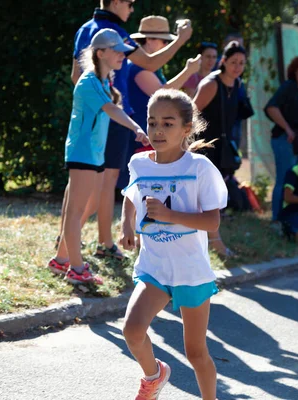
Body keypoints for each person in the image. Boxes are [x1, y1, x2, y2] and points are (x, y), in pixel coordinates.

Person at [120, 89, 227, 400]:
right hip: (154, 266)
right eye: (152, 122)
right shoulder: (139, 163)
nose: (158, 130)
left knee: (195, 352)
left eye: (168, 124)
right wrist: (127, 223)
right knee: (132, 330)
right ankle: (154, 376)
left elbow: (212, 222)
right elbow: (131, 195)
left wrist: (169, 215)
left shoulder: (200, 168)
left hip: (190, 270)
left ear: (186, 128)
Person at [70, 1, 193, 260]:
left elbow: (74, 76)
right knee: (102, 184)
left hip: (95, 118)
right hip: (110, 118)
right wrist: (181, 39)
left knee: (94, 184)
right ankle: (81, 246)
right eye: (129, 3)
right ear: (116, 2)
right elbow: (149, 64)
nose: (131, 9)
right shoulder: (114, 30)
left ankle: (91, 243)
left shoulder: (85, 28)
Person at [48, 29, 149, 284]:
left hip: (92, 154)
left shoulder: (103, 81)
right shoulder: (90, 80)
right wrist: (135, 127)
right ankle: (77, 269)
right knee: (76, 211)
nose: (122, 57)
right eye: (117, 52)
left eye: (123, 52)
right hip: (82, 154)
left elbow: (111, 109)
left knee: (88, 206)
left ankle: (60, 261)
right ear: (101, 53)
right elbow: (111, 111)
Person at [117, 16, 201, 189]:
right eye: (163, 41)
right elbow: (162, 93)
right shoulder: (136, 67)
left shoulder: (149, 68)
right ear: (148, 40)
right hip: (142, 136)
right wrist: (188, 71)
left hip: (148, 135)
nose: (165, 45)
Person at [194, 40, 247, 257]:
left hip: (222, 147)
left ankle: (211, 241)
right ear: (223, 61)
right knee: (205, 197)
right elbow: (191, 113)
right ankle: (215, 242)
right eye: (233, 62)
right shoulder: (211, 83)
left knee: (212, 198)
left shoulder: (238, 85)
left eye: (242, 63)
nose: (237, 67)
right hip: (204, 146)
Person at [265, 55, 298, 221]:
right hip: (285, 140)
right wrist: (287, 129)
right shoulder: (288, 87)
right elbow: (271, 108)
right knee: (284, 179)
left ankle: (293, 218)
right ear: (295, 70)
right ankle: (276, 219)